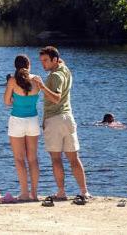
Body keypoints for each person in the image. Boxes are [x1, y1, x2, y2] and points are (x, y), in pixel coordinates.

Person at [32, 46, 91, 206]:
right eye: (41, 61)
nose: (43, 64)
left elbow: (56, 98)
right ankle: (84, 191)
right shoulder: (65, 69)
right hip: (68, 118)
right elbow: (60, 61)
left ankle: (61, 192)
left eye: (45, 60)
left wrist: (41, 86)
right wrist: (56, 59)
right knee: (73, 158)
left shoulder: (55, 77)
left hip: (55, 119)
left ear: (54, 60)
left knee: (56, 158)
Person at [3, 54, 42, 202]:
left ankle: (24, 193)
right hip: (33, 121)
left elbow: (7, 102)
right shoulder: (37, 80)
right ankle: (35, 193)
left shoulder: (13, 81)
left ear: (15, 66)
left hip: (17, 121)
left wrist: (14, 98)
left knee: (19, 159)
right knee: (33, 158)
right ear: (29, 64)